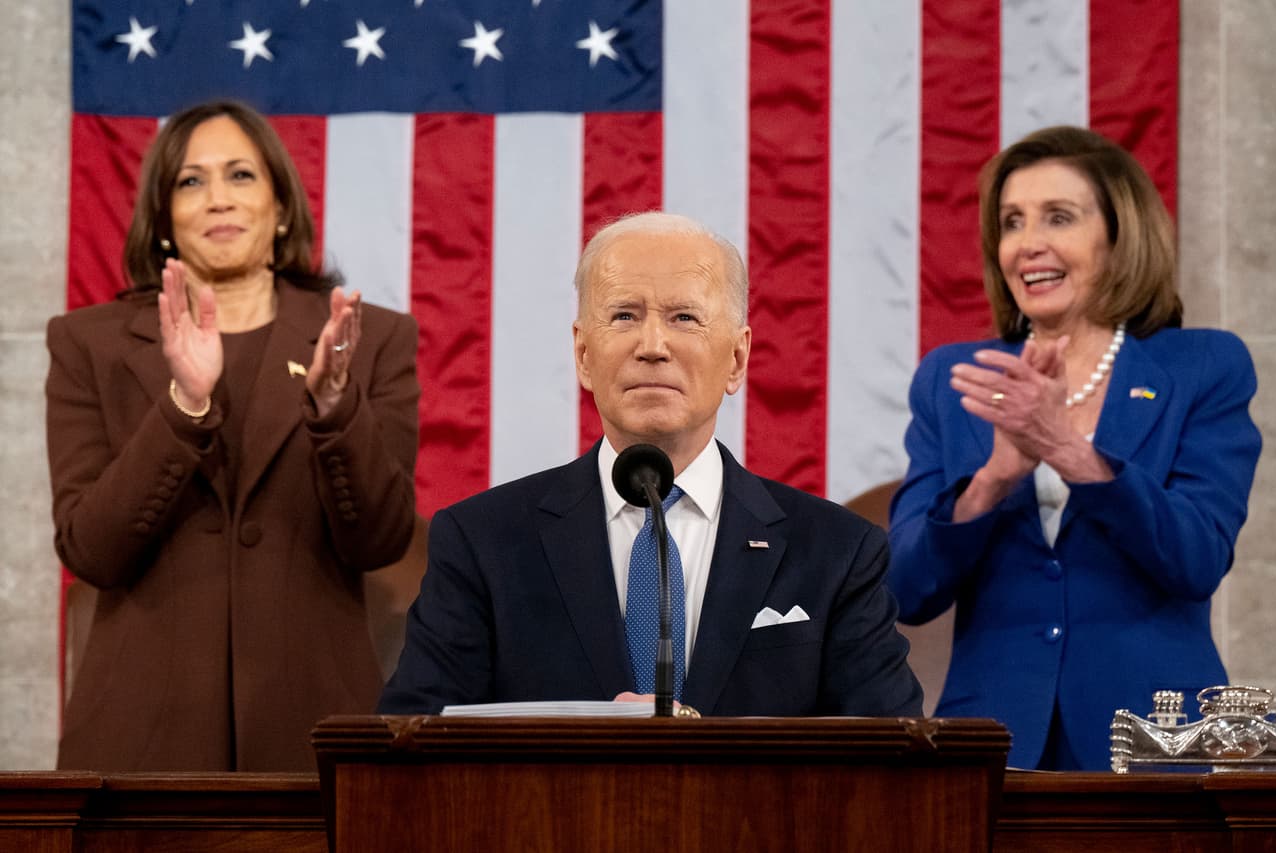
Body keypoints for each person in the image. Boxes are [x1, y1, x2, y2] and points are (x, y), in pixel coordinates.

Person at [379, 212, 922, 717]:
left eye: (684, 317)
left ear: (736, 359)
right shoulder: (483, 542)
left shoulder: (836, 551)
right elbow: (412, 740)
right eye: (624, 316)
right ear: (583, 355)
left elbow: (893, 754)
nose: (653, 346)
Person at [46, 99, 420, 771]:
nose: (218, 197)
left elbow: (380, 539)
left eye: (241, 175)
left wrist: (334, 407)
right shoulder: (88, 344)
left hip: (314, 740)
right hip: (138, 747)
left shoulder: (370, 340)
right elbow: (90, 551)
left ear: (281, 209)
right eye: (191, 181)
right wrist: (184, 405)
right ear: (163, 218)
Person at [887, 126, 1261, 770]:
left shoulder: (1203, 366)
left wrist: (1068, 450)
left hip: (1154, 740)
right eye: (1012, 222)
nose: (1028, 243)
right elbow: (906, 590)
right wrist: (993, 480)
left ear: (1119, 237)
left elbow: (1197, 558)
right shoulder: (955, 380)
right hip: (994, 745)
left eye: (1058, 217)